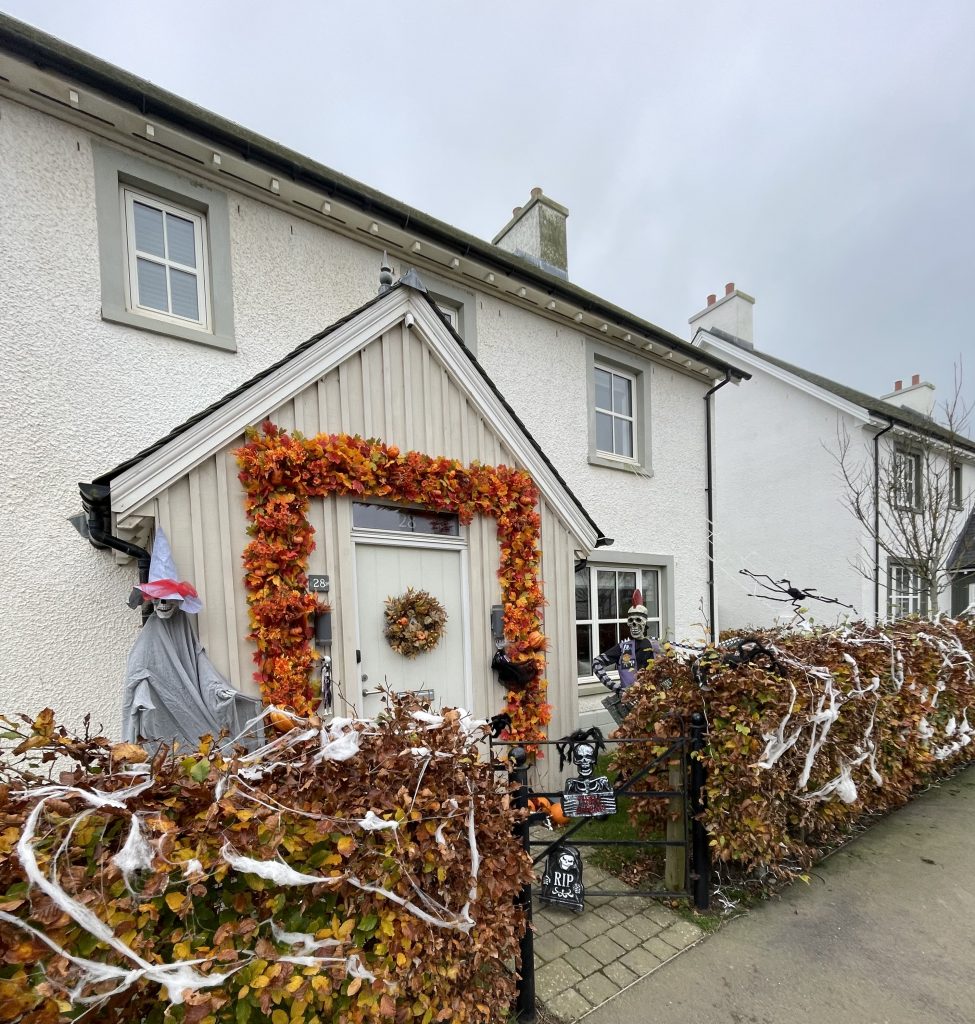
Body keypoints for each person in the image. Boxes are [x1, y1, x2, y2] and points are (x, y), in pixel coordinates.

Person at [121, 528, 263, 751]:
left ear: (178, 601)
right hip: (158, 724)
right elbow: (138, 673)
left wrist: (218, 690)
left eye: (169, 599)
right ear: (152, 601)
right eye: (159, 600)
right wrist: (143, 698)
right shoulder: (151, 636)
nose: (164, 605)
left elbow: (199, 664)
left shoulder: (182, 628)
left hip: (194, 720)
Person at [592, 590, 660, 723]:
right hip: (629, 706)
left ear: (645, 623)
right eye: (631, 621)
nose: (634, 625)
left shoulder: (657, 646)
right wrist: (615, 687)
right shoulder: (624, 648)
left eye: (638, 620)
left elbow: (667, 673)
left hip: (654, 705)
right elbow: (596, 663)